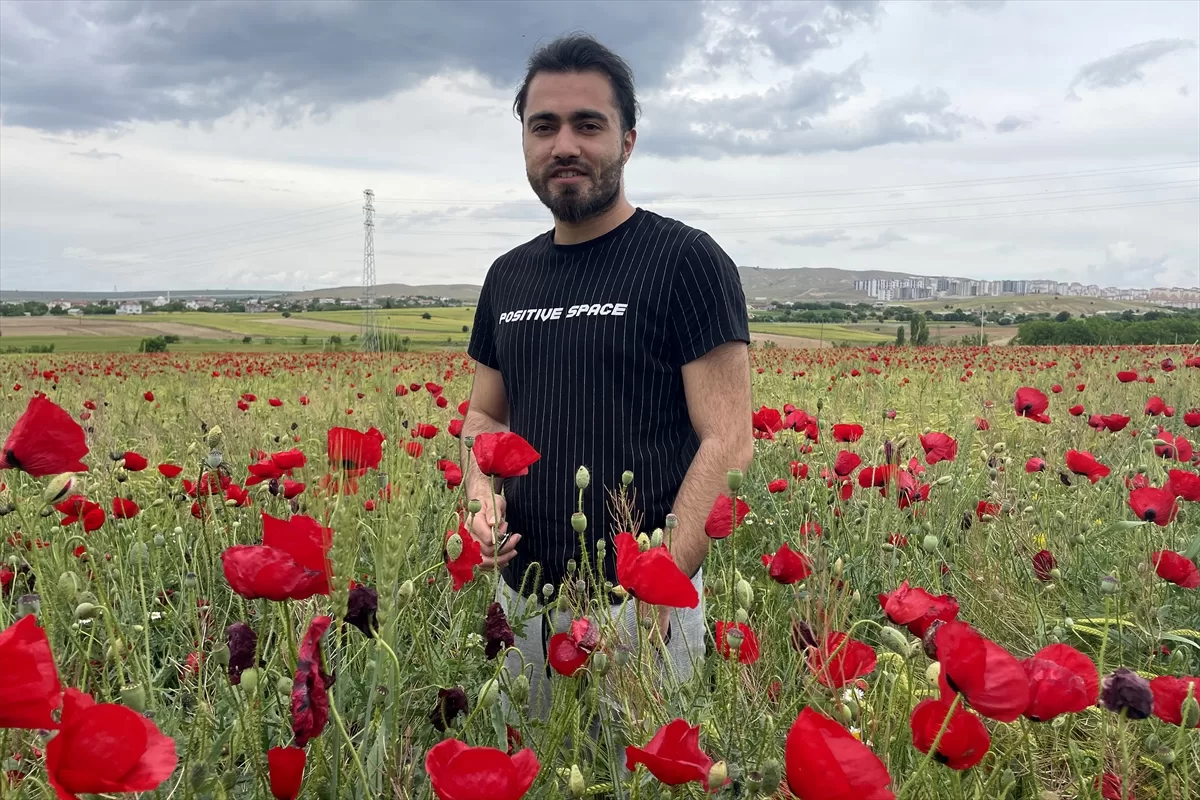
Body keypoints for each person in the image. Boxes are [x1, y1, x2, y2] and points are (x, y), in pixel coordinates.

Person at [460, 33, 753, 716]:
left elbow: (729, 442)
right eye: (545, 126)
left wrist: (655, 591)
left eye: (588, 124)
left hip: (643, 609)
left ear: (627, 141)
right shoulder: (508, 276)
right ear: (526, 143)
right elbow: (485, 417)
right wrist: (479, 494)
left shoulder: (687, 261)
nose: (565, 144)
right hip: (524, 598)